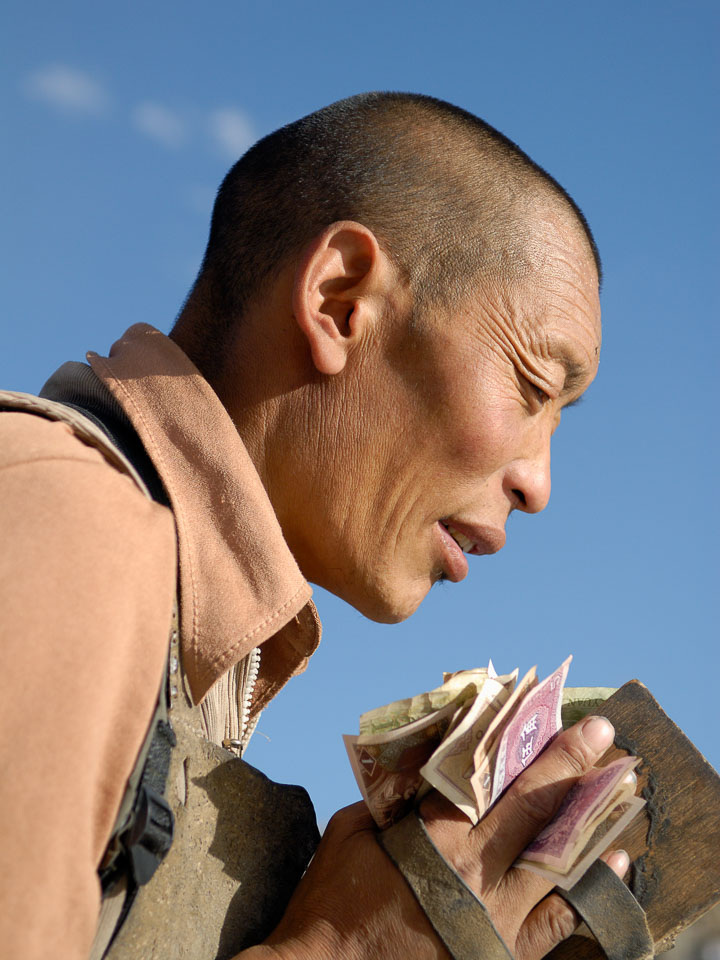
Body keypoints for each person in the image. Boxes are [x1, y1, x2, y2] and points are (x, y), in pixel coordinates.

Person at [0, 92, 626, 960]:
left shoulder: (191, 647)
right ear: (340, 301)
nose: (538, 484)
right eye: (531, 386)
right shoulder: (62, 527)